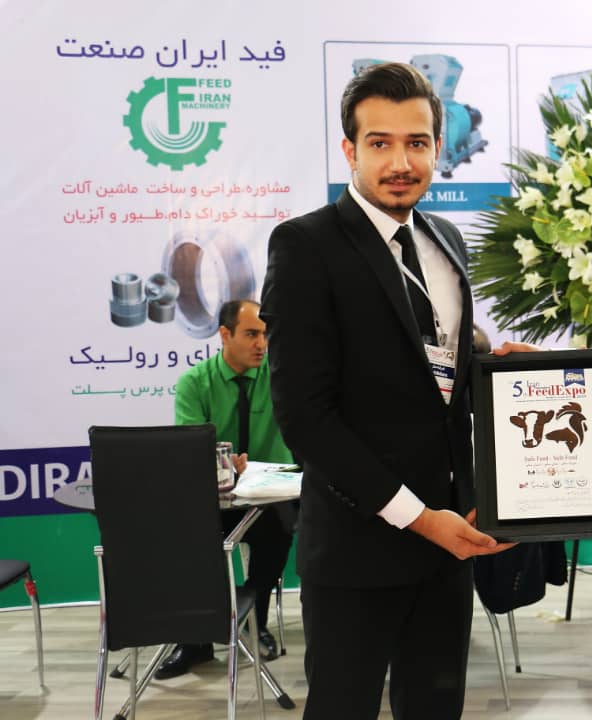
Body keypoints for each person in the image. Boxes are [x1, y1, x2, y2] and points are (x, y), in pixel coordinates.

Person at [259, 62, 512, 720]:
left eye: (417, 143)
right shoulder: (305, 245)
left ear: (438, 147)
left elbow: (437, 376)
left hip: (451, 544)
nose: (401, 162)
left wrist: (502, 371)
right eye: (381, 143)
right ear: (350, 150)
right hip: (357, 551)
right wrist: (419, 517)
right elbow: (306, 417)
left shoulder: (445, 238)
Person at [159, 298, 295, 679]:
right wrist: (220, 464)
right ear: (224, 334)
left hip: (270, 498)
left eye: (265, 335)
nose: (261, 344)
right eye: (251, 334)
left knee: (281, 529)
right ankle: (195, 641)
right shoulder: (194, 383)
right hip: (213, 500)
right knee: (189, 539)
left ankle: (253, 621)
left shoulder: (279, 377)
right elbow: (190, 450)